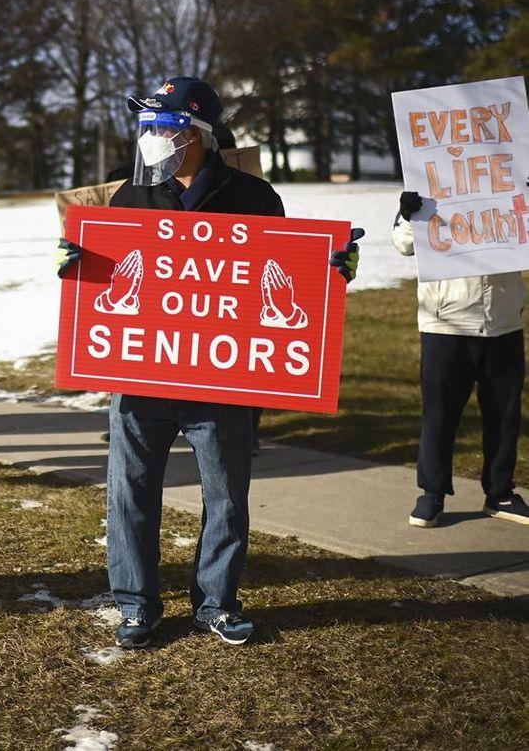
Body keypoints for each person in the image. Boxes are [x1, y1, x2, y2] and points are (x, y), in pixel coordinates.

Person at [57, 77, 361, 650]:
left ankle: (217, 602)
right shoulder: (131, 196)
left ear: (197, 133)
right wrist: (78, 263)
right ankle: (136, 605)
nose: (151, 137)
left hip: (220, 380)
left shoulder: (254, 196)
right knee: (130, 493)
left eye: (162, 125)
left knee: (225, 495)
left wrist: (334, 266)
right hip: (143, 377)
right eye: (146, 125)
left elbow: (287, 277)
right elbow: (112, 279)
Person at [394, 192, 529, 526]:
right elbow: (403, 243)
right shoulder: (429, 184)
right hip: (446, 321)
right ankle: (432, 493)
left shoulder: (510, 186)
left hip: (503, 318)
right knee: (440, 412)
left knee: (503, 413)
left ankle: (500, 493)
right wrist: (410, 214)